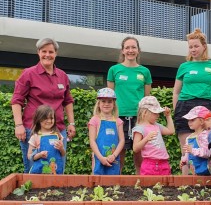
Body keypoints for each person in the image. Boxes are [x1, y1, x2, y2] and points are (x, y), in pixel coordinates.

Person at [11, 38, 76, 173]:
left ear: (56, 54)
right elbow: (17, 100)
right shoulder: (28, 73)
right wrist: (18, 125)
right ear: (38, 53)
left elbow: (68, 101)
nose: (47, 55)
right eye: (44, 51)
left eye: (51, 51)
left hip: (57, 130)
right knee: (32, 168)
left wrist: (72, 123)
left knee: (57, 167)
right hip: (33, 130)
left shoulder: (62, 76)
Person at [172, 28, 211, 174]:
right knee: (186, 148)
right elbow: (176, 92)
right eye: (190, 47)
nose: (193, 49)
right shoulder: (184, 66)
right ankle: (185, 183)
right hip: (185, 106)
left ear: (204, 46)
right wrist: (177, 111)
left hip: (209, 106)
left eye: (196, 46)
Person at [107, 36, 152, 174]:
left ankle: (141, 181)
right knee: (119, 151)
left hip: (139, 119)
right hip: (119, 117)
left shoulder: (145, 71)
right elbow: (109, 97)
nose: (130, 50)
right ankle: (116, 181)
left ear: (138, 50)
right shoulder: (114, 70)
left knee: (138, 152)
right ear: (122, 51)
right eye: (127, 47)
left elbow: (147, 98)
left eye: (133, 47)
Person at [132, 96, 174, 175]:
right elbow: (135, 148)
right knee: (148, 185)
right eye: (155, 113)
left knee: (166, 186)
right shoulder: (139, 128)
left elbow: (171, 131)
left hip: (163, 162)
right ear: (145, 113)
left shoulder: (156, 125)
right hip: (149, 164)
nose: (158, 116)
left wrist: (168, 116)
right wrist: (146, 139)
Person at [88, 88, 125, 175]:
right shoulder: (94, 120)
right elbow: (92, 141)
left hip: (114, 159)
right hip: (99, 158)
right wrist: (101, 158)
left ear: (114, 104)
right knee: (98, 183)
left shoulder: (118, 121)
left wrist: (114, 155)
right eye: (103, 101)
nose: (106, 104)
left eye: (109, 101)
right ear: (98, 104)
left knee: (114, 183)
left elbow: (122, 140)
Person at [28, 105, 66, 174]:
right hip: (40, 171)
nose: (49, 121)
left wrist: (61, 148)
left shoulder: (58, 135)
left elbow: (63, 154)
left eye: (51, 118)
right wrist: (39, 155)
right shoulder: (35, 137)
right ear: (39, 119)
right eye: (46, 118)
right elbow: (29, 156)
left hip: (56, 170)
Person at [180, 106, 211, 175]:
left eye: (192, 120)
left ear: (202, 121)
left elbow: (208, 153)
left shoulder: (206, 135)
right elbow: (188, 153)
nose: (189, 122)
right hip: (194, 171)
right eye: (188, 120)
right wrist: (184, 160)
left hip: (207, 171)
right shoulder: (189, 137)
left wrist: (193, 150)